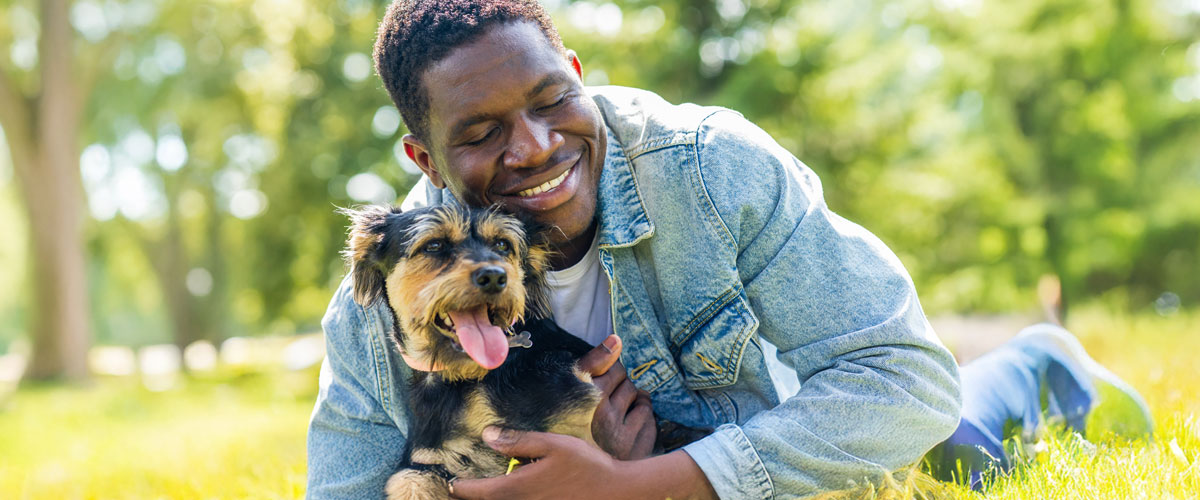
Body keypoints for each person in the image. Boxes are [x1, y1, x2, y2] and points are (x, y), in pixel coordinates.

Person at [305, 1, 1152, 498]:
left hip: (788, 430)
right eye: (484, 132)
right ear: (424, 159)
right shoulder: (388, 282)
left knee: (952, 447)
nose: (533, 148)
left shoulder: (711, 166)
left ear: (576, 70)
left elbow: (903, 382)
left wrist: (648, 488)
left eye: (552, 99)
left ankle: (1036, 365)